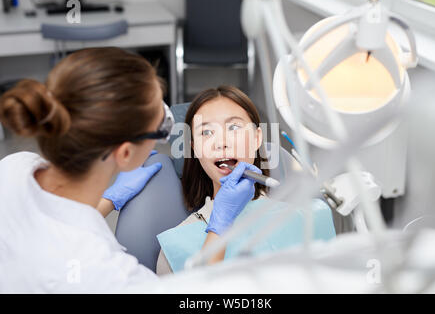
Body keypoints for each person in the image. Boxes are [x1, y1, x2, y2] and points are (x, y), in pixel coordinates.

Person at [0, 48, 258, 293]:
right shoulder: (111, 275)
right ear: (125, 154)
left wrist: (105, 203)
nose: (222, 141)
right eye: (161, 126)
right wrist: (220, 227)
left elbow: (49, 233)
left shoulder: (13, 167)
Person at [156, 86, 269, 274]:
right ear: (195, 149)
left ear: (257, 138)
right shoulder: (174, 248)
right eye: (206, 132)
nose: (221, 142)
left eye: (233, 127)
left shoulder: (299, 217)